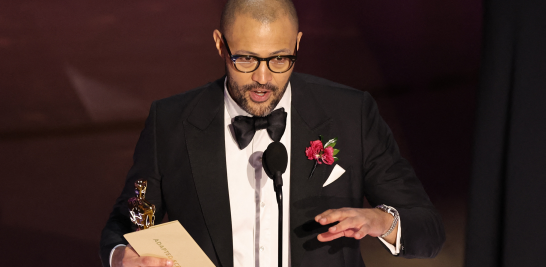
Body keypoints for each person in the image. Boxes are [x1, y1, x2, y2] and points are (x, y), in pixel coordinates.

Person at [99, 0, 445, 266]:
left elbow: (427, 229)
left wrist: (380, 221)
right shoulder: (171, 122)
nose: (263, 79)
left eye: (280, 59)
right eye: (247, 59)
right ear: (221, 45)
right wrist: (122, 257)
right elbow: (128, 220)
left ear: (297, 43)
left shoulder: (349, 114)